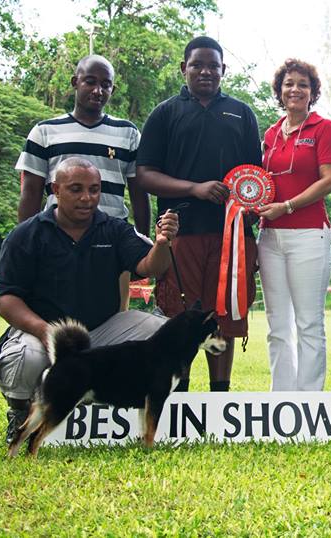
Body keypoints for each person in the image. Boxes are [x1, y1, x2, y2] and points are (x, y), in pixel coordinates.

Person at [0, 158, 178, 445]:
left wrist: (162, 243)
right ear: (56, 190)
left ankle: (107, 402)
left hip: (100, 331)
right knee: (25, 358)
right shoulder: (26, 234)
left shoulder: (114, 229)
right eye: (76, 189)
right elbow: (6, 299)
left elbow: (152, 267)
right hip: (44, 331)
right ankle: (21, 413)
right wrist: (45, 332)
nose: (86, 198)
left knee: (161, 334)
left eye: (94, 189)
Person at [135, 36, 262, 393]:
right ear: (183, 68)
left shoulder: (241, 112)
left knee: (222, 316)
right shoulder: (165, 113)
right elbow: (144, 175)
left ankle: (220, 396)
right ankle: (181, 395)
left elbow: (257, 175)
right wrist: (195, 188)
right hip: (181, 232)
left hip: (232, 236)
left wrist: (250, 212)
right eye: (197, 65)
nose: (206, 72)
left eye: (213, 66)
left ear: (224, 70)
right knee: (181, 317)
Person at [15, 54, 150, 312]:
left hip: (113, 242)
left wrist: (140, 245)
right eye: (90, 81)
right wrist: (25, 242)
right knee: (56, 313)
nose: (98, 90)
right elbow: (30, 193)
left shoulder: (128, 133)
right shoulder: (44, 131)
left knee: (113, 319)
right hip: (56, 239)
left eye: (106, 84)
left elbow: (138, 193)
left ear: (113, 88)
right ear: (75, 82)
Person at [257, 59, 331, 391]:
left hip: (309, 234)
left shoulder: (324, 129)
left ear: (312, 92)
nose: (295, 89)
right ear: (280, 90)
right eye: (289, 83)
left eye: (303, 84)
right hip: (269, 236)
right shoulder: (271, 133)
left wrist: (288, 206)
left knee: (308, 323)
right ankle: (282, 399)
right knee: (277, 325)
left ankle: (309, 402)